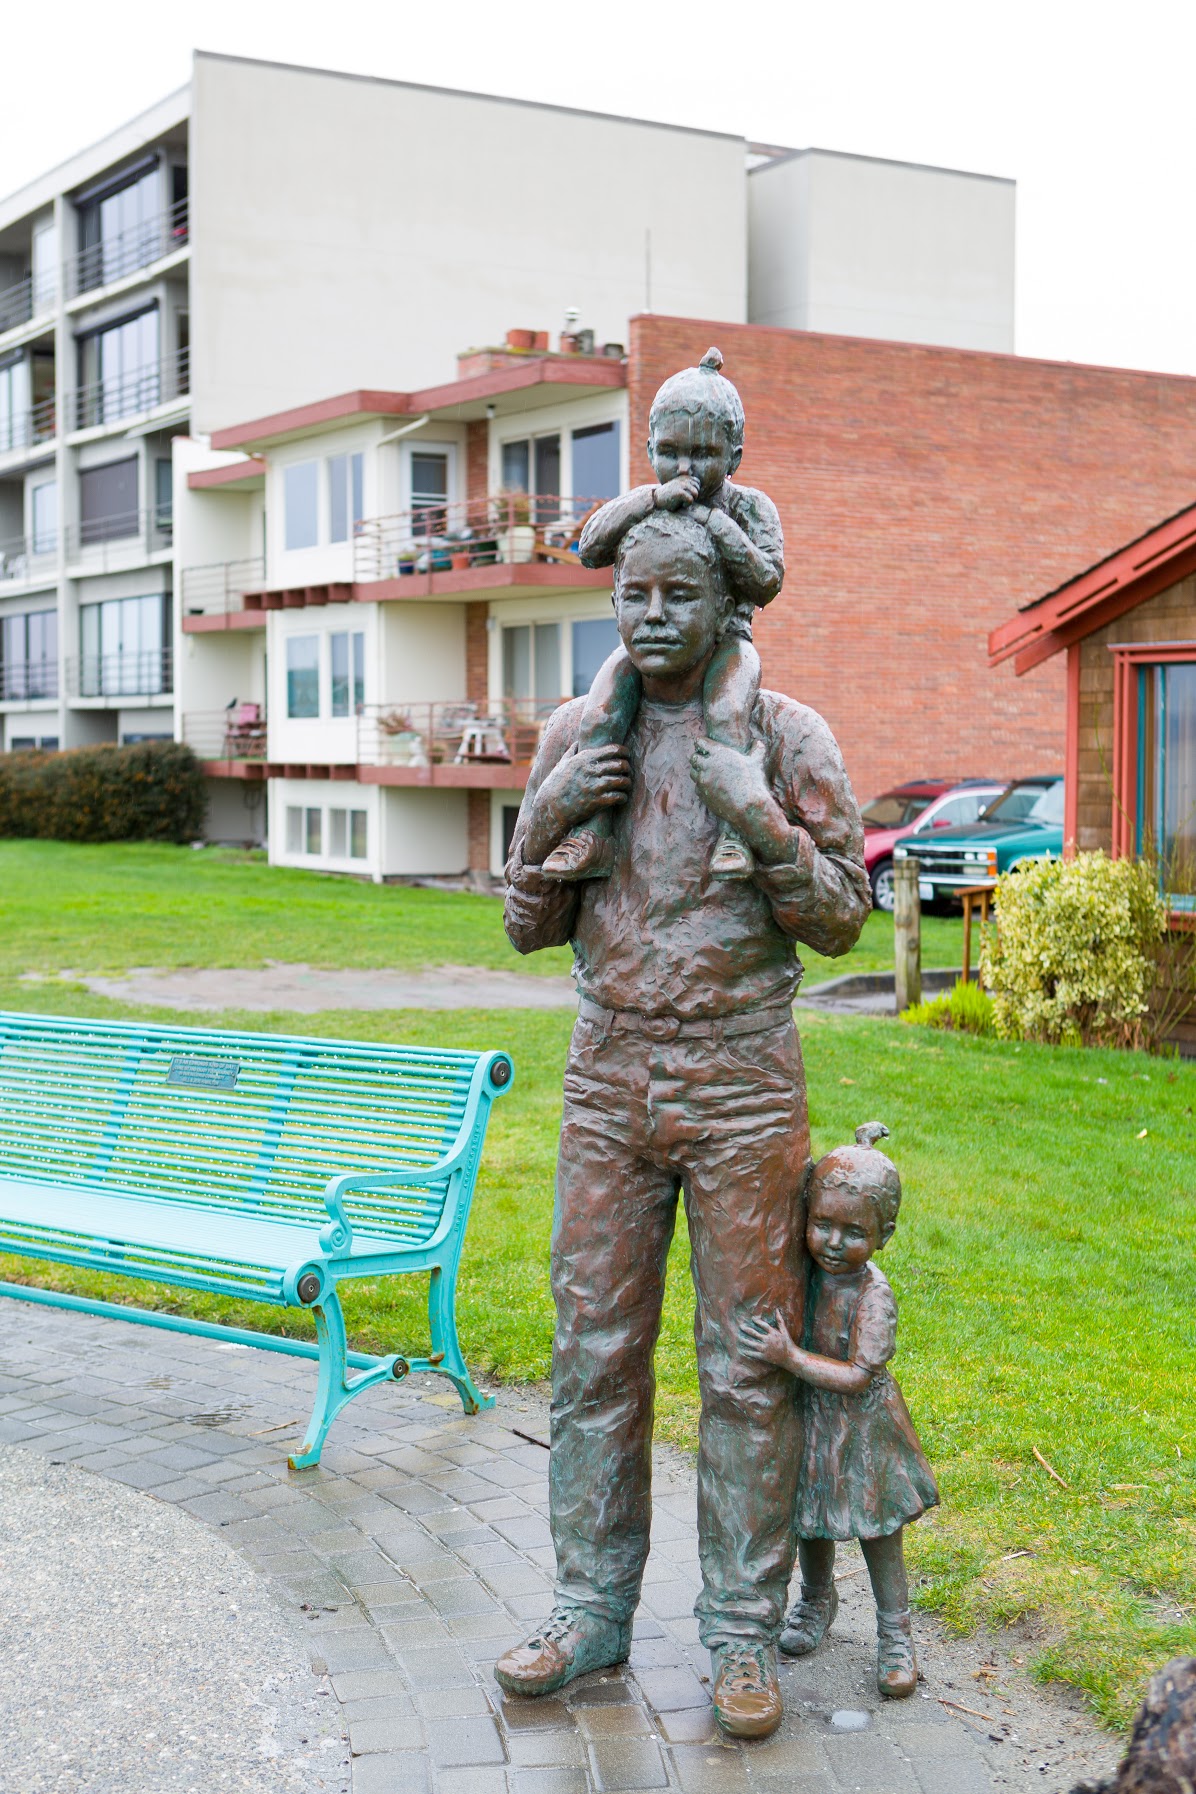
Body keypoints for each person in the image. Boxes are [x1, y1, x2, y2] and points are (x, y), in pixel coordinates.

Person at [496, 505, 869, 1740]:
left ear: (726, 609)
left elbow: (840, 920)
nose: (650, 616)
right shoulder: (576, 732)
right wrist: (547, 816)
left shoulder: (784, 732)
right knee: (592, 1347)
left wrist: (757, 818)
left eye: (675, 597)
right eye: (632, 596)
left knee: (746, 1363)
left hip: (741, 1079)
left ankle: (741, 1631)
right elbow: (524, 924)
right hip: (609, 1072)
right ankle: (589, 1605)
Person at [540, 348, 784, 884]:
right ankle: (594, 833)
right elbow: (589, 546)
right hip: (648, 653)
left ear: (734, 455)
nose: (684, 469)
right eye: (670, 453)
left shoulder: (751, 508)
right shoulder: (649, 500)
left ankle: (735, 834)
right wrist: (652, 498)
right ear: (650, 447)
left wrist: (719, 528)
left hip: (726, 644)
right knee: (601, 711)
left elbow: (768, 581)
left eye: (701, 454)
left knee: (728, 712)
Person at [740, 1123, 939, 1700]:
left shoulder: (874, 1296)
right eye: (822, 1224)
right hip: (813, 1419)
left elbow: (857, 1375)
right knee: (810, 1513)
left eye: (853, 1232)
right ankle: (816, 1601)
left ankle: (895, 1633)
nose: (831, 1241)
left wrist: (790, 1358)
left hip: (862, 1429)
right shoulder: (805, 1273)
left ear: (885, 1235)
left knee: (877, 1527)